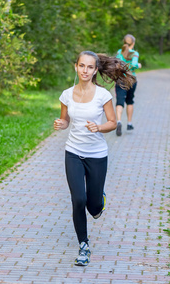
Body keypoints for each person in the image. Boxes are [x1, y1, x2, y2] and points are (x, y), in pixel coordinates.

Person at [53, 51, 136, 266]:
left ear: (95, 70)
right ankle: (83, 245)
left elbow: (112, 122)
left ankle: (100, 201)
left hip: (97, 155)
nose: (85, 70)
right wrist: (61, 124)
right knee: (78, 200)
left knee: (94, 207)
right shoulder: (66, 95)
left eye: (90, 67)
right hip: (73, 152)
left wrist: (98, 127)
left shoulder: (102, 95)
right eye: (82, 66)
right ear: (76, 67)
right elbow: (65, 121)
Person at [115, 34, 141, 136]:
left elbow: (117, 64)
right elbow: (134, 64)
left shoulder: (119, 52)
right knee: (130, 101)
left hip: (120, 79)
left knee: (119, 101)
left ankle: (119, 121)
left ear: (124, 42)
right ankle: (129, 123)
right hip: (131, 80)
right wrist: (138, 65)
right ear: (133, 43)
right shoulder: (135, 53)